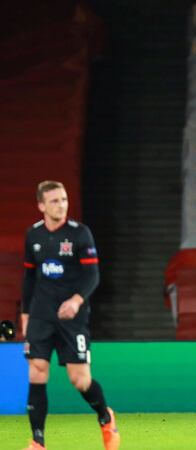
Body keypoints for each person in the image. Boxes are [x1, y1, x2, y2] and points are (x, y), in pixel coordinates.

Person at [19, 181, 120, 450]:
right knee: (37, 370)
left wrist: (76, 301)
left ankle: (105, 416)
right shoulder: (33, 235)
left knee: (80, 380)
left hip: (71, 317)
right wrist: (25, 314)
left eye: (63, 199)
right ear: (41, 205)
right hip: (41, 314)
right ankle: (38, 440)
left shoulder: (80, 234)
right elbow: (29, 278)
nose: (61, 205)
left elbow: (92, 275)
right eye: (54, 201)